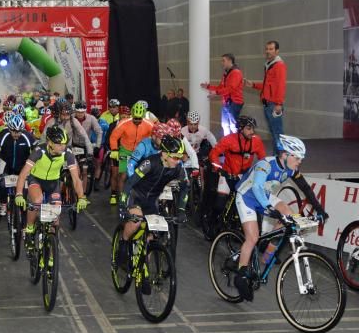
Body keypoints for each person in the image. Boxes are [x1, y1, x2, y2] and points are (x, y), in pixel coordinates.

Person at [228, 135, 327, 302]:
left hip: (265, 196)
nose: (299, 162)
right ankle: (241, 275)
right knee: (252, 237)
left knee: (288, 214)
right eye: (297, 157)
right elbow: (257, 187)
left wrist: (319, 209)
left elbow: (306, 189)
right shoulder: (265, 165)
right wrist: (268, 208)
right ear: (285, 155)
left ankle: (267, 253)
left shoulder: (291, 169)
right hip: (247, 197)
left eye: (301, 158)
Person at [116, 135, 188, 286]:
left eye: (180, 157)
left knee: (151, 235)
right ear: (165, 154)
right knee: (135, 222)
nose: (178, 160)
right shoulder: (150, 163)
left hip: (151, 201)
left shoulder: (177, 168)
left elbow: (184, 188)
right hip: (135, 196)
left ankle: (143, 264)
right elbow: (130, 183)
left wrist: (181, 210)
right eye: (175, 157)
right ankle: (123, 243)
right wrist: (122, 204)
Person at [14, 126, 89, 248]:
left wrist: (81, 197)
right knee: (36, 201)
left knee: (55, 219)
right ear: (49, 143)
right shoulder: (39, 151)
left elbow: (76, 179)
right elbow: (23, 174)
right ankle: (29, 229)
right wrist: (18, 194)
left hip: (53, 183)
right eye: (59, 144)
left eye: (64, 143)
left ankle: (51, 249)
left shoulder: (67, 153)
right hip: (36, 180)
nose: (63, 147)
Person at [204, 116, 267, 236]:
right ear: (241, 129)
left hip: (244, 177)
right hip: (227, 175)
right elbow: (214, 153)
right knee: (219, 205)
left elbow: (263, 159)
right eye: (248, 129)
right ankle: (211, 225)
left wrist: (262, 172)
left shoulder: (256, 141)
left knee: (247, 203)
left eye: (253, 129)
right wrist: (217, 166)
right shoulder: (229, 140)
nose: (252, 132)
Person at [108, 102, 154, 206]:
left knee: (142, 175)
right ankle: (122, 199)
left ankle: (142, 197)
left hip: (141, 151)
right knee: (123, 175)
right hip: (125, 150)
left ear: (143, 116)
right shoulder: (124, 123)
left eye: (139, 119)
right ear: (132, 115)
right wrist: (114, 150)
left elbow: (155, 137)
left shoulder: (149, 124)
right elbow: (114, 137)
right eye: (135, 118)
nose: (137, 121)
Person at [247, 40, 287, 153]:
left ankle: (281, 158)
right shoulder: (270, 65)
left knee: (277, 133)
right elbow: (268, 85)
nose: (268, 51)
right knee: (274, 132)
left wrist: (278, 103)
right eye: (267, 49)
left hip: (273, 104)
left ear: (277, 51)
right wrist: (254, 85)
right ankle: (277, 156)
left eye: (271, 49)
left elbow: (281, 85)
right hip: (268, 104)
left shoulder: (278, 65)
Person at [201, 53, 244, 135]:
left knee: (233, 126)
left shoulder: (236, 72)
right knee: (225, 125)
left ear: (230, 61)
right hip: (226, 103)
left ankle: (236, 145)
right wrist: (208, 87)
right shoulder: (226, 73)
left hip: (234, 103)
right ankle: (227, 143)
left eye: (223, 61)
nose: (222, 63)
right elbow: (221, 87)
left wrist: (216, 92)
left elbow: (231, 88)